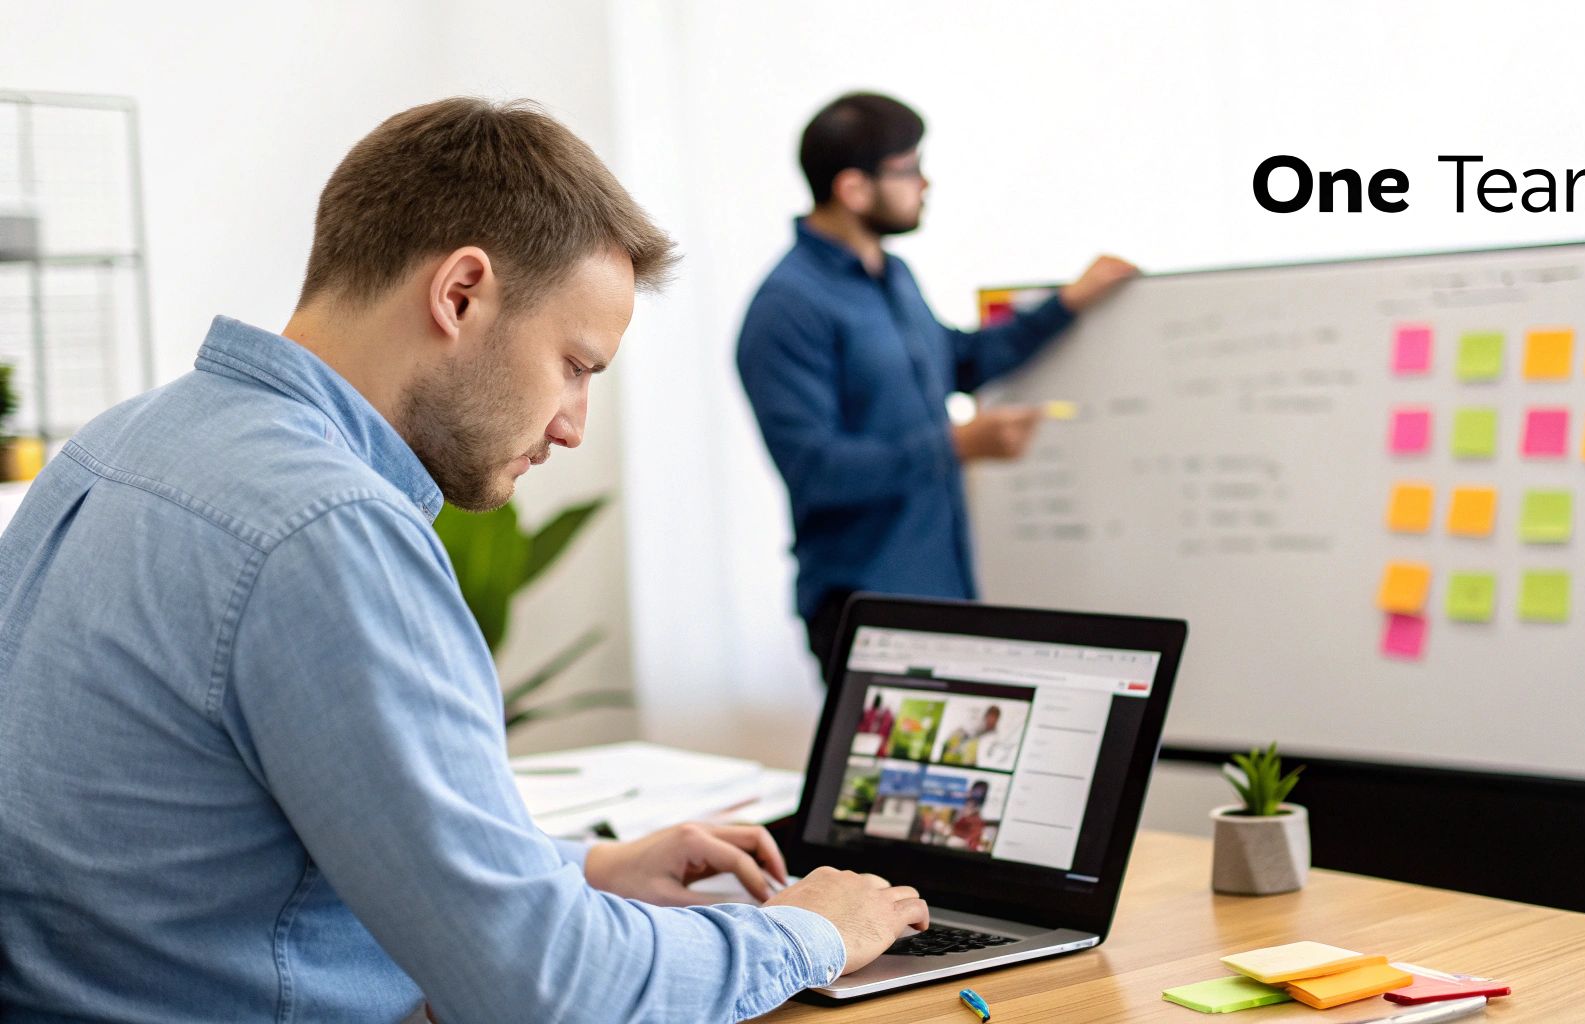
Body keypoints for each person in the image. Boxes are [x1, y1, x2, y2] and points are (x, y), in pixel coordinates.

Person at [0, 98, 927, 1023]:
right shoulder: (326, 527)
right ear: (460, 294)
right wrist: (810, 931)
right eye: (575, 364)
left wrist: (583, 867)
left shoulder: (120, 443)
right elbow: (551, 993)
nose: (571, 425)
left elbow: (249, 841)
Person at [736, 92, 1137, 681]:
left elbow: (960, 360)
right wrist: (956, 446)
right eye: (908, 168)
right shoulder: (787, 308)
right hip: (865, 604)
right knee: (893, 776)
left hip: (942, 587)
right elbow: (816, 470)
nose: (925, 183)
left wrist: (1067, 304)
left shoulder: (892, 275)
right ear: (853, 188)